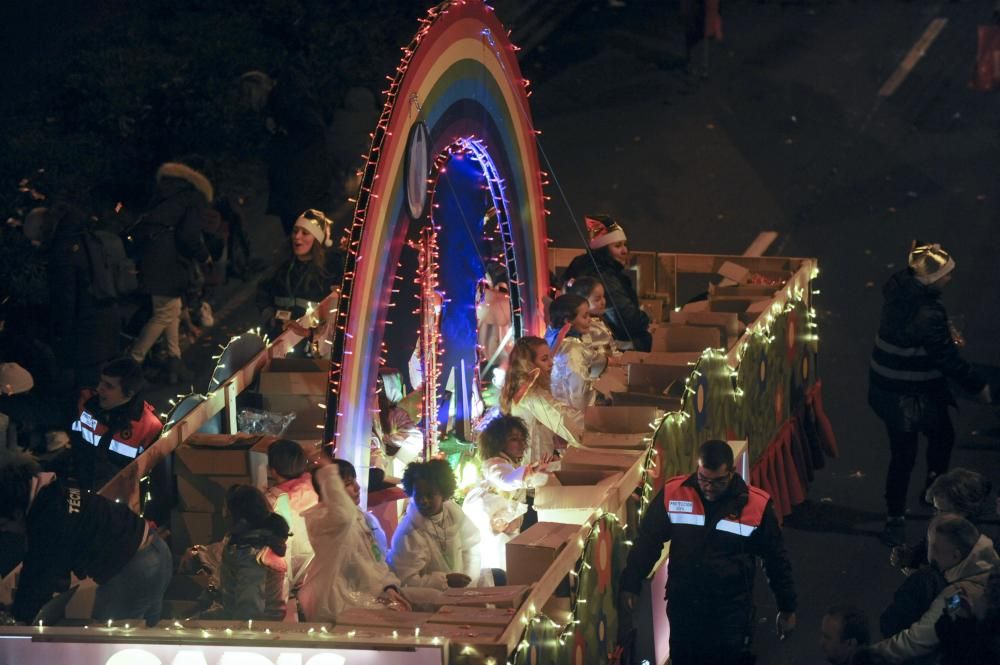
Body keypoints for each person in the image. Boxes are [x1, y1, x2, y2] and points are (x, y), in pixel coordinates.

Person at [620, 439, 797, 665]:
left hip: (729, 612)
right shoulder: (675, 494)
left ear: (732, 473)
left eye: (718, 482)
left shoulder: (756, 506)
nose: (709, 487)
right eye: (703, 479)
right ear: (697, 470)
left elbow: (776, 560)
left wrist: (787, 606)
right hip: (685, 609)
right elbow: (648, 542)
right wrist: (631, 582)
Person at [868, 242, 990, 546]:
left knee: (905, 452)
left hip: (887, 388)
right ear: (931, 278)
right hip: (912, 393)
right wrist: (978, 385)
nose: (950, 280)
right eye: (946, 275)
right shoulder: (927, 311)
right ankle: (929, 497)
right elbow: (945, 357)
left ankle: (897, 514)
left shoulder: (899, 291)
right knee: (928, 444)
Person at [3, 452, 172, 626]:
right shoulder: (55, 494)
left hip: (134, 569)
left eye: (4, 525)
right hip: (157, 551)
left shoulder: (47, 519)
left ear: (16, 514)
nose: (6, 531)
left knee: (112, 643)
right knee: (148, 639)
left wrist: (17, 619)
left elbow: (40, 574)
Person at [881, 467, 994, 637]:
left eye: (944, 511)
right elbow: (926, 552)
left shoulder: (983, 548)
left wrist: (929, 586)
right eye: (936, 510)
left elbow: (965, 600)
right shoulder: (944, 529)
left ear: (966, 509)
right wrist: (909, 556)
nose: (937, 517)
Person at [872, 514, 999, 662]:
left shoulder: (956, 596)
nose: (930, 555)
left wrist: (868, 655)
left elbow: (916, 640)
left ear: (955, 556)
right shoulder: (992, 565)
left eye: (934, 548)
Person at [297, 458, 411, 622]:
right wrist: (328, 472)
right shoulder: (324, 521)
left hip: (364, 597)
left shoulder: (363, 519)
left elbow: (376, 560)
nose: (357, 487)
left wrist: (389, 587)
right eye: (348, 484)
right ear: (331, 490)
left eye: (355, 481)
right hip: (334, 605)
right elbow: (342, 515)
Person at [129, 162, 213, 383]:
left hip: (153, 258)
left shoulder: (164, 196)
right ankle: (132, 364)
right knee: (165, 313)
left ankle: (175, 362)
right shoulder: (191, 198)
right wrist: (204, 255)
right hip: (168, 263)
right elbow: (189, 234)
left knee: (172, 310)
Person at [462, 415, 555, 570]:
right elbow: (506, 480)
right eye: (513, 439)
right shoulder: (494, 464)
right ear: (499, 442)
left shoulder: (508, 463)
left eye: (521, 439)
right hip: (490, 535)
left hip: (504, 532)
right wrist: (530, 473)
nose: (521, 444)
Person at [388, 459, 483, 605]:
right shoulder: (408, 533)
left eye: (430, 495)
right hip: (429, 606)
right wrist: (444, 581)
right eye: (418, 495)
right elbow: (406, 581)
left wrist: (468, 581)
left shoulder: (453, 515)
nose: (423, 501)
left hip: (462, 596)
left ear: (444, 494)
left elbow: (471, 547)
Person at [69, 357, 162, 492]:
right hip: (79, 489)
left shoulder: (149, 427)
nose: (99, 389)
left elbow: (149, 481)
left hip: (114, 503)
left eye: (109, 386)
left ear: (129, 393)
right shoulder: (85, 402)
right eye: (101, 381)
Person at [562, 215, 652, 351]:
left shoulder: (588, 266)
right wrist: (646, 321)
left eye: (624, 244)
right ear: (603, 249)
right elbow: (626, 319)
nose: (625, 250)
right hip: (607, 345)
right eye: (617, 246)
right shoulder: (603, 275)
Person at [256, 209, 343, 349]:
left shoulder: (330, 271)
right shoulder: (282, 264)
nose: (297, 237)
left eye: (305, 233)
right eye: (295, 231)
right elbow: (263, 291)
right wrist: (269, 316)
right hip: (280, 339)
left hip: (311, 347)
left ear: (316, 239)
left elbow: (336, 315)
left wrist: (308, 333)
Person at [208, 485, 289, 620]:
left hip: (257, 627)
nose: (223, 513)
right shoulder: (248, 543)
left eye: (226, 508)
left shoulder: (253, 553)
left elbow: (250, 604)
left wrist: (241, 635)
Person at [499, 336, 583, 464]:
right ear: (529, 364)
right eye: (544, 359)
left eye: (550, 357)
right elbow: (562, 418)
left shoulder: (524, 388)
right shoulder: (532, 395)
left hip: (537, 464)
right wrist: (593, 433)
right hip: (534, 469)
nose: (551, 363)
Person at [264, 439, 318, 594]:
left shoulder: (273, 501)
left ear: (272, 470)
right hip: (315, 573)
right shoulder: (316, 488)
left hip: (286, 578)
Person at [546, 294, 617, 411]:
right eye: (585, 316)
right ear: (568, 321)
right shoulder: (572, 350)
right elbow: (578, 396)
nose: (590, 320)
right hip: (573, 416)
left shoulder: (561, 341)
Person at [934, 568, 1000, 665]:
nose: (980, 594)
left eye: (985, 593)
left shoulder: (987, 638)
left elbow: (956, 651)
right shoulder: (980, 626)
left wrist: (964, 620)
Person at [567, 275, 619, 359]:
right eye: (597, 299)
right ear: (582, 302)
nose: (603, 302)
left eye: (603, 297)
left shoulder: (599, 319)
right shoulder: (585, 327)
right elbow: (590, 355)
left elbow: (610, 346)